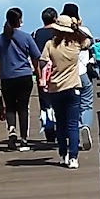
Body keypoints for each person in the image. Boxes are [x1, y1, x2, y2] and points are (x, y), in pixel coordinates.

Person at [39, 15, 95, 169]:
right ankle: (73, 157)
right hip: (73, 88)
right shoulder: (76, 43)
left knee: (61, 124)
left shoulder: (50, 45)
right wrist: (77, 28)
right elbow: (90, 41)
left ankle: (63, 154)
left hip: (55, 89)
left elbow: (42, 61)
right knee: (72, 124)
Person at [0, 8, 41, 152]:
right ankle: (24, 141)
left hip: (7, 77)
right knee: (23, 108)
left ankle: (12, 130)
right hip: (24, 76)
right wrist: (38, 75)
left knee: (10, 107)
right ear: (19, 20)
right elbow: (36, 57)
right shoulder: (26, 37)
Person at [61, 3, 96, 150]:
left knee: (67, 107)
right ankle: (85, 125)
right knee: (86, 103)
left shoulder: (58, 34)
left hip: (64, 77)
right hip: (82, 74)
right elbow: (91, 43)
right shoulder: (84, 31)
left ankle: (71, 134)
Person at [32, 8, 59, 139]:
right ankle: (60, 128)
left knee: (45, 100)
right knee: (60, 98)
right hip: (58, 69)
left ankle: (48, 129)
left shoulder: (37, 33)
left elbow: (35, 54)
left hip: (42, 70)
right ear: (55, 18)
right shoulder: (59, 31)